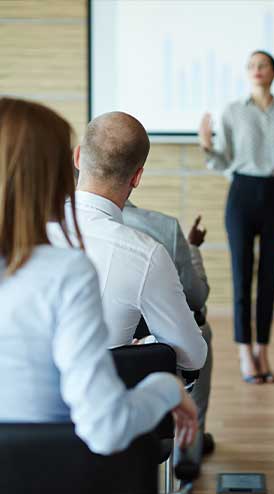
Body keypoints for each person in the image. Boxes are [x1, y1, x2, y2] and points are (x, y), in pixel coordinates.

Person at [0, 97, 197, 454]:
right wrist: (166, 387)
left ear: (78, 160)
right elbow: (106, 428)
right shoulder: (68, 271)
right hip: (57, 467)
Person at [48, 111, 207, 371]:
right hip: (103, 404)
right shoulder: (147, 255)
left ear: (77, 157)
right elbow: (193, 356)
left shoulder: (28, 229)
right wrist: (148, 344)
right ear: (137, 177)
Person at [198, 50, 274, 383]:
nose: (257, 70)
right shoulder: (233, 111)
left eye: (262, 65)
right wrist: (207, 146)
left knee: (270, 274)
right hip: (242, 193)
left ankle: (263, 348)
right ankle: (244, 350)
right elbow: (223, 160)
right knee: (241, 273)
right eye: (251, 66)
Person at [122, 204, 215, 454]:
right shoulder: (163, 230)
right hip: (148, 356)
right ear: (135, 177)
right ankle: (189, 447)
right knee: (200, 334)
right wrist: (193, 249)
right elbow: (196, 297)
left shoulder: (51, 227)